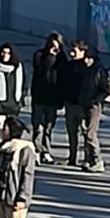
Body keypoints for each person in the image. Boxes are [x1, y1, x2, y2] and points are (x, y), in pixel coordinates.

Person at [63, 39, 108, 171]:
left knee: (90, 133)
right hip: (84, 104)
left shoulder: (98, 71)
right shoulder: (88, 70)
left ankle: (97, 160)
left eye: (89, 59)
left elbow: (105, 90)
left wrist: (95, 100)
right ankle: (90, 160)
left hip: (93, 106)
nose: (86, 61)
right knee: (86, 133)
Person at [31, 33, 67, 163]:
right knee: (38, 126)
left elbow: (63, 76)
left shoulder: (62, 58)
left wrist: (61, 98)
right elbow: (41, 68)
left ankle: (46, 151)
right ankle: (36, 150)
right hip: (40, 96)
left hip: (53, 98)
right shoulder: (39, 55)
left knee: (48, 127)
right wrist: (51, 56)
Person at [0, 43, 26, 147]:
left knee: (12, 129)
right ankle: (0, 150)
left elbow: (23, 85)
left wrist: (20, 101)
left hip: (13, 105)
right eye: (3, 52)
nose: (4, 55)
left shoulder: (18, 68)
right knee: (1, 128)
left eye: (8, 53)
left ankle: (11, 150)